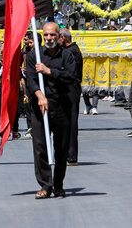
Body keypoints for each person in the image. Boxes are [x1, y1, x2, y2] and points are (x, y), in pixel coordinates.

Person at [26, 22, 76, 199]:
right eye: (46, 35)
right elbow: (31, 79)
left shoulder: (67, 56)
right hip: (40, 107)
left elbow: (71, 77)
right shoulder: (34, 56)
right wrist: (40, 95)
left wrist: (49, 71)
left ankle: (59, 184)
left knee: (61, 148)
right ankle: (45, 185)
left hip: (61, 106)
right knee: (40, 147)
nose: (49, 38)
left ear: (59, 36)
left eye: (52, 35)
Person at [59, 28, 83, 166]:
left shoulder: (71, 52)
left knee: (71, 123)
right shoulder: (69, 50)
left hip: (71, 89)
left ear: (63, 37)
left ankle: (71, 156)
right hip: (66, 89)